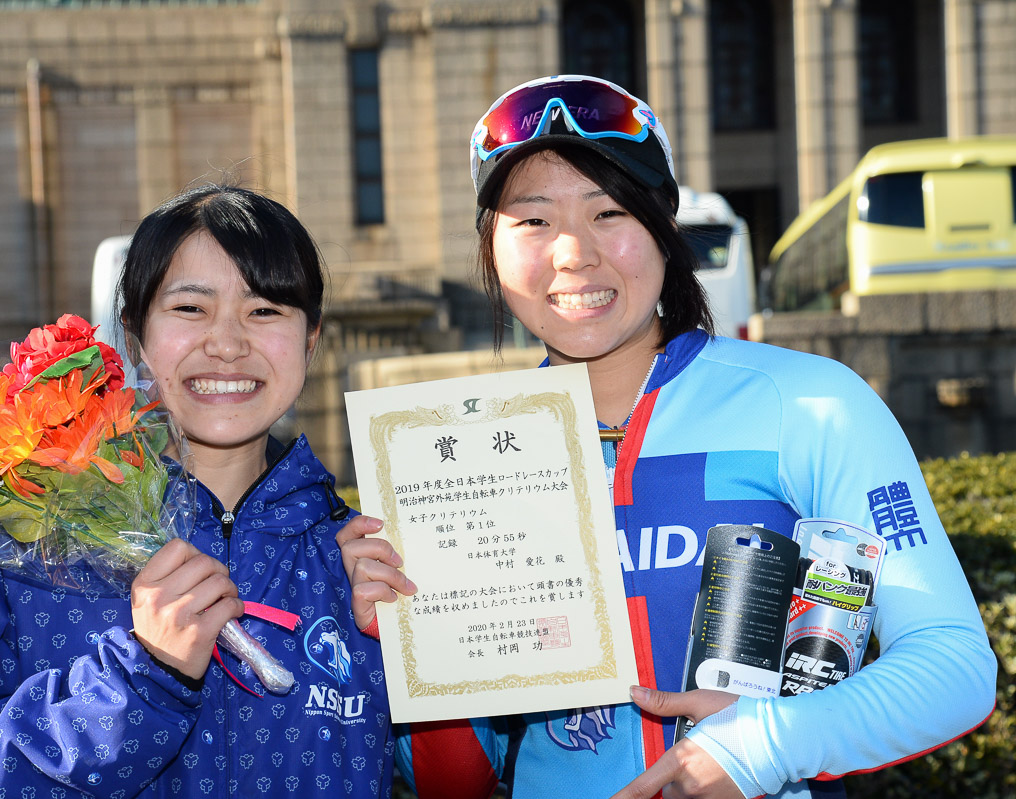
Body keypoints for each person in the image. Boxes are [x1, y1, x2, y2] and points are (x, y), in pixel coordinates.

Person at [338, 75, 996, 799]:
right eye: (532, 221)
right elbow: (456, 782)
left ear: (663, 228)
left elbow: (954, 667)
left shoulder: (810, 403)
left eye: (609, 211)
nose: (573, 254)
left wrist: (761, 747)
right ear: (490, 251)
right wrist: (398, 637)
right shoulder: (464, 464)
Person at [0, 185, 394, 798]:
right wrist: (139, 683)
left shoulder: (358, 558)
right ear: (134, 336)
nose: (229, 343)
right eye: (190, 309)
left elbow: (456, 772)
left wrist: (392, 648)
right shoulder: (9, 525)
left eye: (265, 311)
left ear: (311, 338)